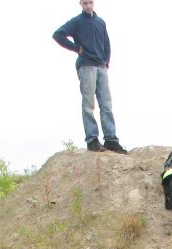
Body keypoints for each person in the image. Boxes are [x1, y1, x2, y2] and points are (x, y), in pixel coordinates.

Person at [53, 0, 127, 154]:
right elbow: (58, 34)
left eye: (90, 2)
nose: (88, 6)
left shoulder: (100, 22)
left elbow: (107, 44)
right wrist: (76, 48)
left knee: (106, 105)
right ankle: (92, 140)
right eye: (85, 3)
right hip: (86, 66)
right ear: (80, 4)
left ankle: (111, 140)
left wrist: (106, 62)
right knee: (88, 105)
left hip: (101, 67)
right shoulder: (76, 22)